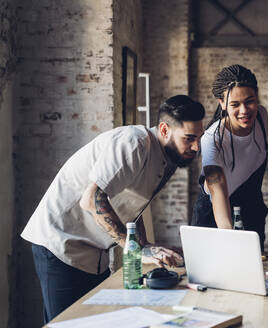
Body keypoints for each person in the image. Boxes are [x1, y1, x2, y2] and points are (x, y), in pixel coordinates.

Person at [21, 95, 205, 322]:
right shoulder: (133, 143)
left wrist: (146, 245)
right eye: (189, 138)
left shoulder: (168, 157)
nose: (196, 146)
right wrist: (136, 249)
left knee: (95, 322)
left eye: (199, 137)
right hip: (60, 241)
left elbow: (131, 206)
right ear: (165, 130)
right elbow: (92, 199)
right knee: (66, 324)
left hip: (94, 250)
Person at [191, 64, 268, 250]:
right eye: (235, 104)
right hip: (215, 212)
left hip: (251, 207)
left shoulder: (262, 116)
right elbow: (218, 191)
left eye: (250, 101)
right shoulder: (212, 139)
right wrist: (230, 237)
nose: (244, 111)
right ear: (222, 103)